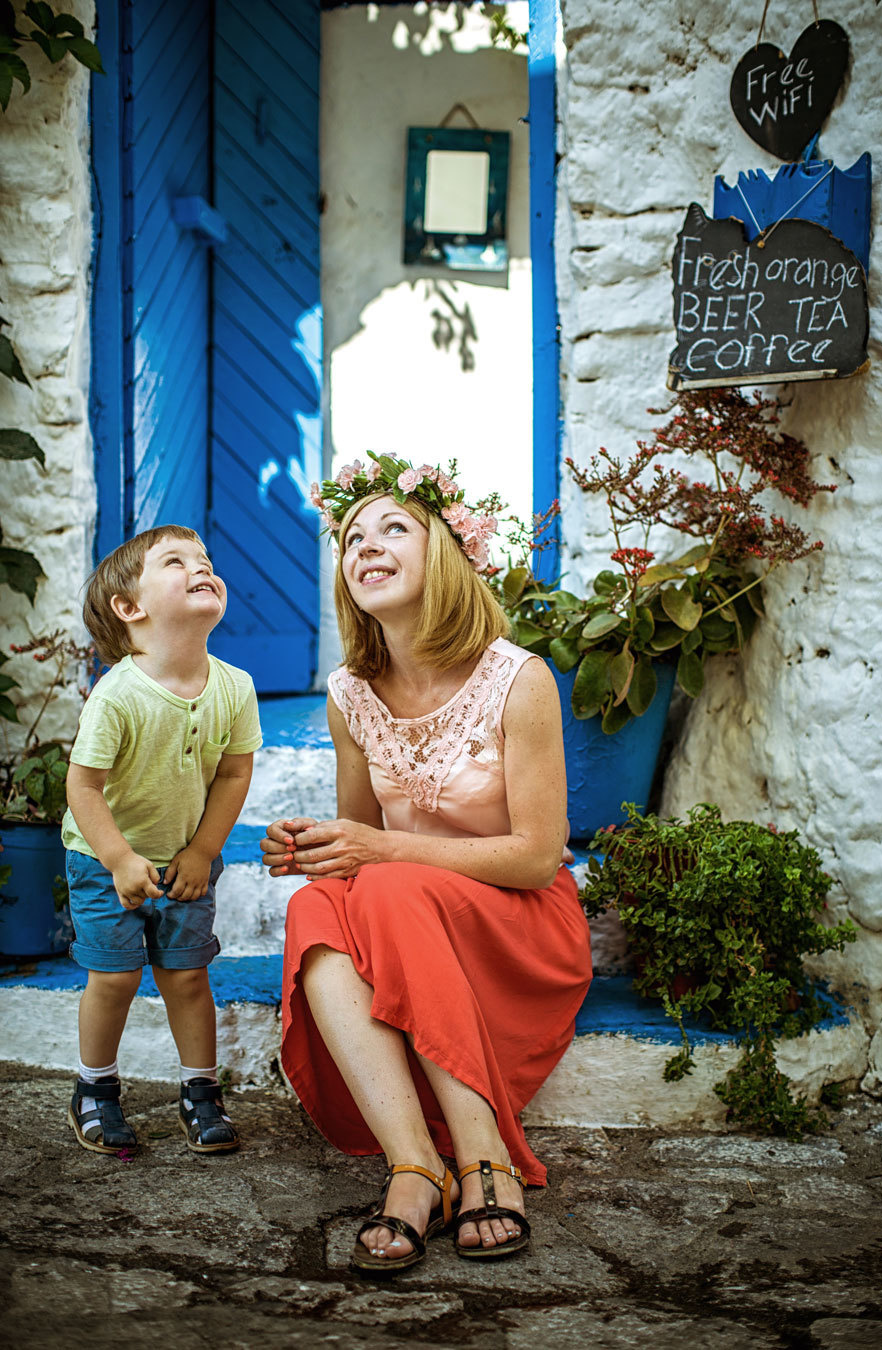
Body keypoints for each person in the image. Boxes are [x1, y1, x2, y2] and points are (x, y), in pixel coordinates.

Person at [261, 454, 592, 1275]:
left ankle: (485, 1151)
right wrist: (314, 847)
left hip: (517, 926)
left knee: (390, 878)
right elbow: (359, 840)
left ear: (442, 551)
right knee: (315, 907)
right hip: (406, 915)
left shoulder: (519, 679)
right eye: (351, 538)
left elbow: (538, 855)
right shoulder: (350, 694)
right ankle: (416, 1165)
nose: (365, 545)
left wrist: (377, 851)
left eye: (393, 528)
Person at [62, 526, 262, 1155]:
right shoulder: (118, 694)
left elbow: (233, 772)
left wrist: (203, 850)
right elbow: (84, 787)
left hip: (184, 862)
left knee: (187, 975)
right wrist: (119, 859)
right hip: (103, 860)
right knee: (115, 978)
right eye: (176, 562)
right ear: (131, 608)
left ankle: (200, 1091)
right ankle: (95, 1088)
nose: (202, 567)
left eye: (206, 560)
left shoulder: (235, 686)